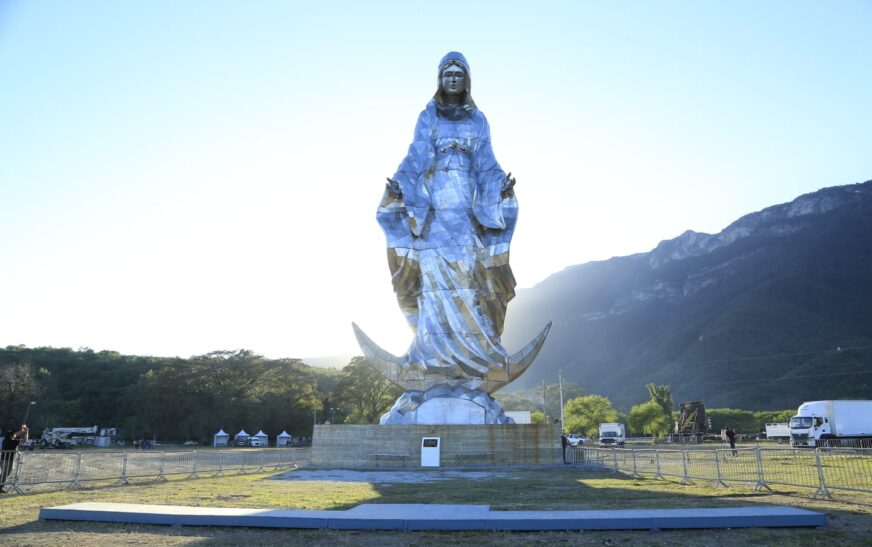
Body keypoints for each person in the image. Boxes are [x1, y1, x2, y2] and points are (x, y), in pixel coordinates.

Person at [377, 51, 518, 377]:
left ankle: (474, 356)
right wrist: (399, 189)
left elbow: (486, 163)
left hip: (465, 212)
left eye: (459, 74)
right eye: (447, 74)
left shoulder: (477, 120)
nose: (453, 79)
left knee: (467, 277)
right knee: (432, 279)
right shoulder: (428, 117)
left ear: (466, 80)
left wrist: (500, 190)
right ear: (440, 79)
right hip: (434, 211)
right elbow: (415, 156)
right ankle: (429, 357)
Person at [1, 424, 29, 493]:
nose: (15, 435)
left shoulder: (9, 440)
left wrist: (24, 431)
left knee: (5, 473)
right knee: (5, 473)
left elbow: (22, 439)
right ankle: (0, 487)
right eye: (13, 435)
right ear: (11, 435)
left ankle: (0, 486)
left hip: (6, 459)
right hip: (6, 460)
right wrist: (25, 431)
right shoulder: (10, 440)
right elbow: (24, 440)